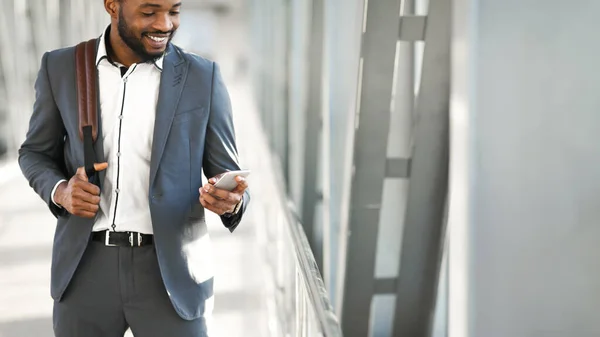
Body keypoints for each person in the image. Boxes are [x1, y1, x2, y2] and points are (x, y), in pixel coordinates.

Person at [18, 0, 250, 336]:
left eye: (174, 11)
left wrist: (231, 200)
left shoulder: (203, 77)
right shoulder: (61, 67)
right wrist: (60, 191)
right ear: (112, 7)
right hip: (85, 269)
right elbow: (34, 153)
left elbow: (230, 174)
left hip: (173, 274)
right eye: (149, 12)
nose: (165, 24)